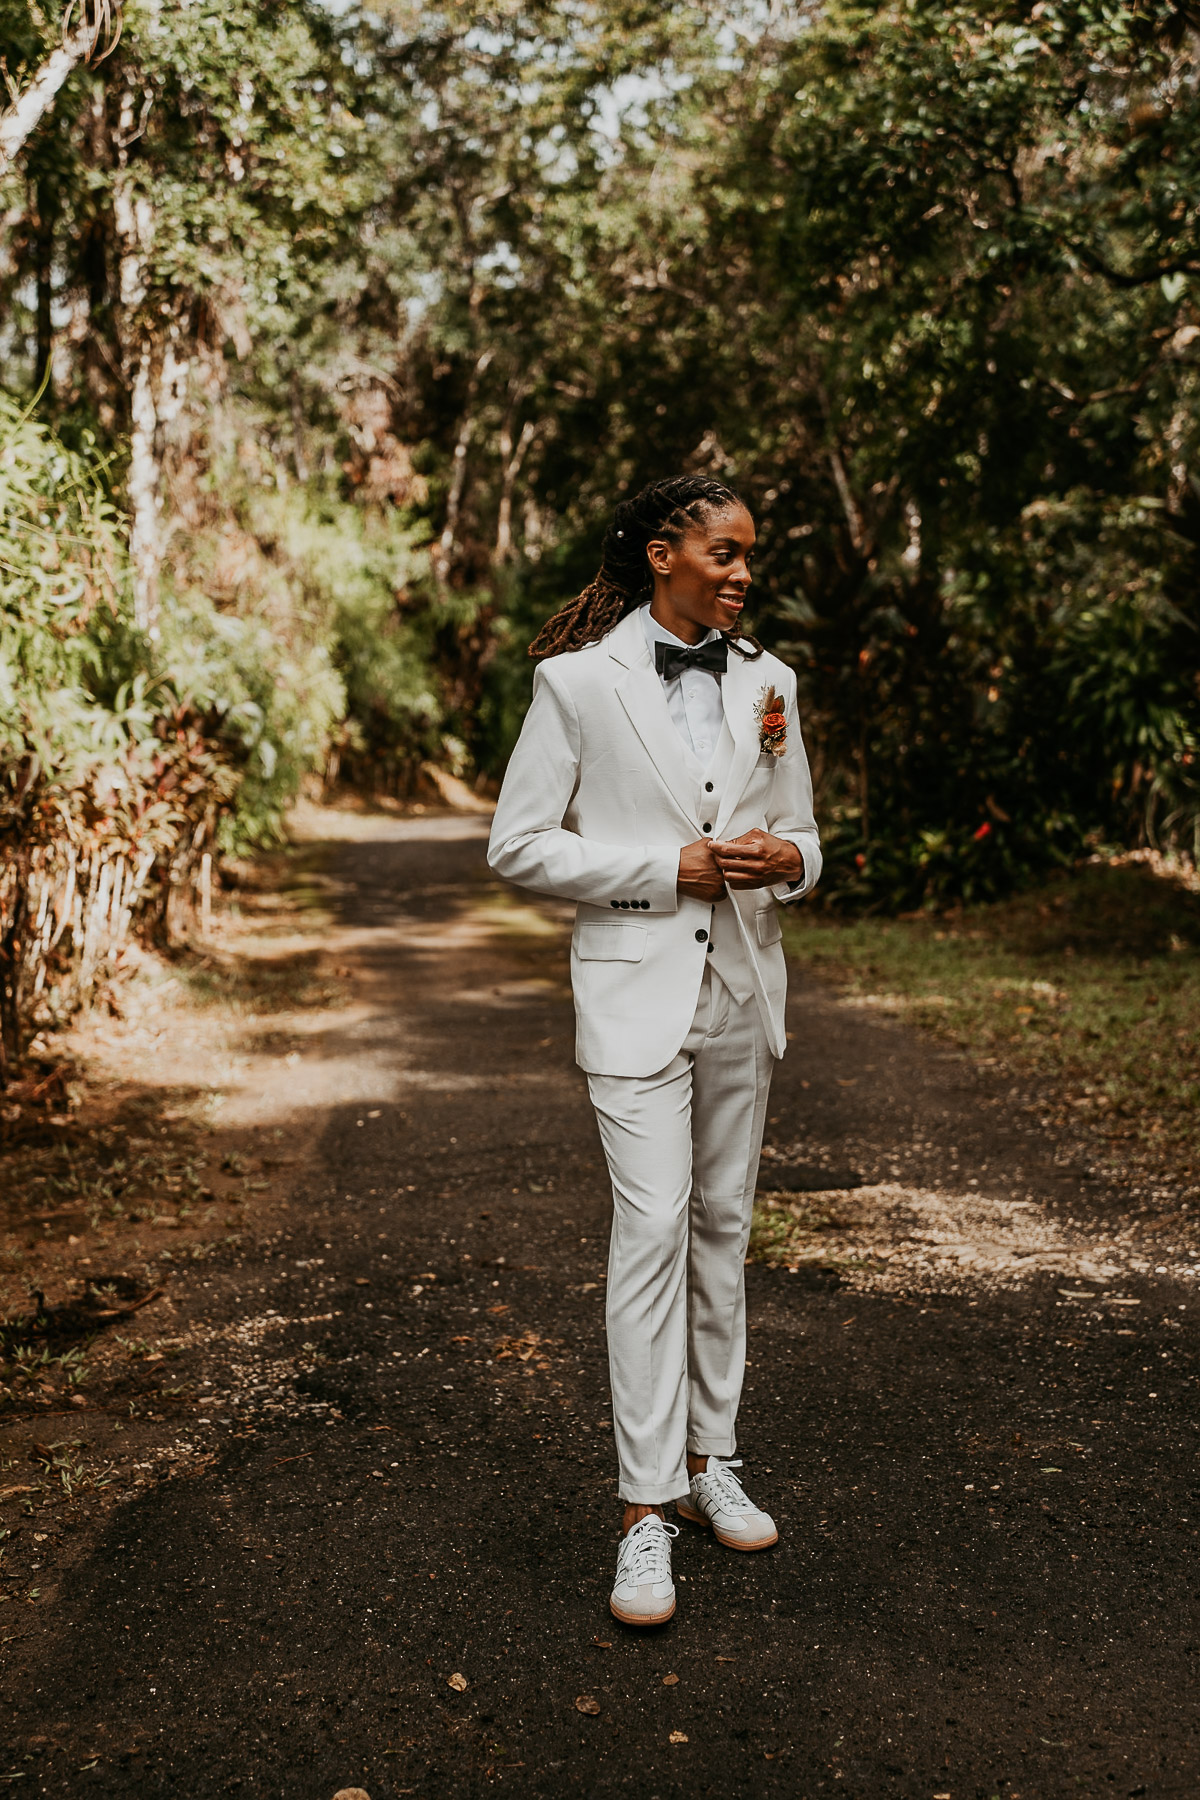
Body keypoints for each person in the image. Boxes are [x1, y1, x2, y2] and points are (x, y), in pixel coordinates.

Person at [487, 474, 821, 1626]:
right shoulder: (576, 683)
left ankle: (708, 1461)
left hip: (743, 990)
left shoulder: (770, 679)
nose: (742, 571)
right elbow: (518, 844)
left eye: (747, 554)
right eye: (723, 551)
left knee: (724, 1228)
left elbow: (806, 832)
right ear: (660, 551)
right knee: (651, 1233)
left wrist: (790, 862)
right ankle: (642, 1513)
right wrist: (657, 870)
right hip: (634, 995)